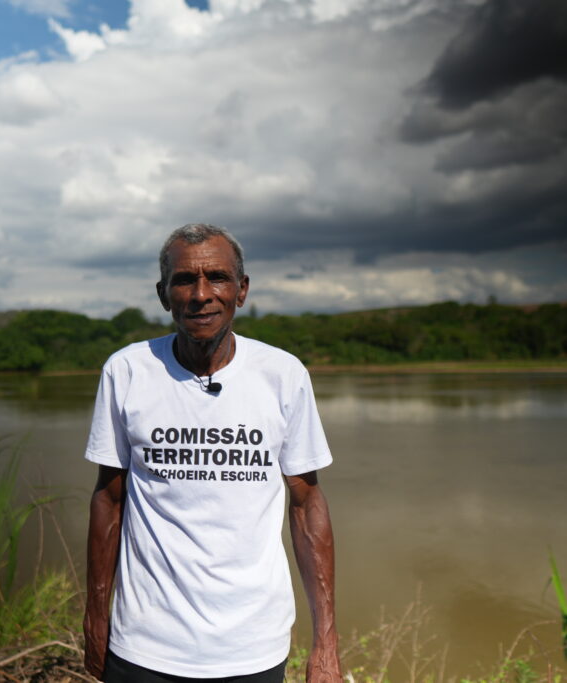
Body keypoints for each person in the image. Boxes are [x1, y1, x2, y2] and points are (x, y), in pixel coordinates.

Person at [83, 223, 342, 682]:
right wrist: (96, 615)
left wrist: (326, 642)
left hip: (253, 648)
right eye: (184, 280)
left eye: (217, 278)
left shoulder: (283, 375)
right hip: (144, 647)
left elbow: (306, 505)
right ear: (164, 295)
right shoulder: (126, 371)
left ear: (241, 290)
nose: (201, 294)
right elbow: (109, 498)